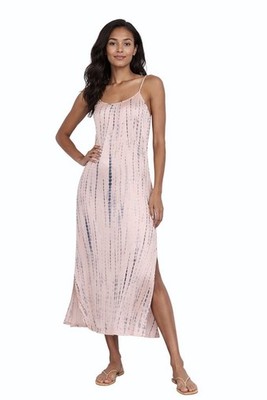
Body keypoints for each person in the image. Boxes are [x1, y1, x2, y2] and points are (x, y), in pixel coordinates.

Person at [55, 18, 198, 396]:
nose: (120, 49)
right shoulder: (93, 92)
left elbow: (159, 142)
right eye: (114, 43)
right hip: (95, 195)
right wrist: (82, 157)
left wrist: (157, 191)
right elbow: (61, 134)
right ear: (104, 48)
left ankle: (178, 365)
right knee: (103, 273)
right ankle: (115, 360)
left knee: (149, 276)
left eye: (127, 43)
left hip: (136, 192)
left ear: (136, 49)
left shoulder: (151, 85)